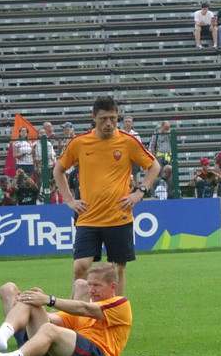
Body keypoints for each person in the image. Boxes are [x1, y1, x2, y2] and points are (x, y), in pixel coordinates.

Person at [53, 96, 160, 297]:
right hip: (88, 216)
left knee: (118, 268)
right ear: (93, 117)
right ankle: (77, 311)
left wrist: (140, 192)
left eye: (113, 118)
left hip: (118, 216)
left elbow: (154, 166)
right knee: (80, 266)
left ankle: (115, 312)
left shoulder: (128, 142)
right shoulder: (80, 143)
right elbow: (58, 170)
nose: (109, 123)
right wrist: (69, 200)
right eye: (103, 119)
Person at [0, 263, 132, 356]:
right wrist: (32, 303)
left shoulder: (120, 304)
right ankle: (3, 334)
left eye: (97, 285)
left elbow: (85, 308)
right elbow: (55, 318)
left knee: (48, 328)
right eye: (90, 285)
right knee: (30, 299)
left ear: (113, 287)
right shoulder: (79, 310)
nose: (91, 290)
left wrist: (49, 299)